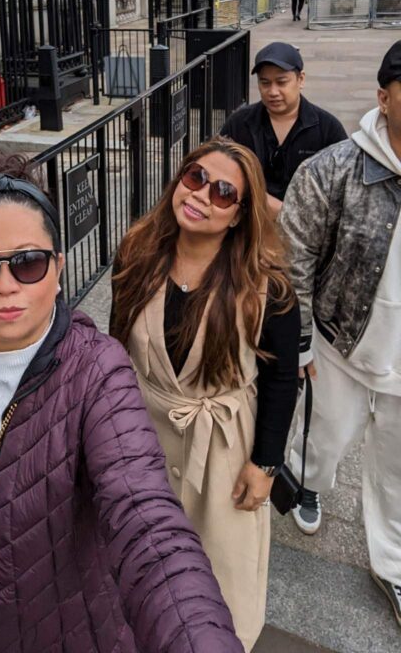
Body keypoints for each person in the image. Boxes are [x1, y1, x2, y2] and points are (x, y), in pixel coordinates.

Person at [0, 152, 244, 653]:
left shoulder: (97, 372)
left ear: (58, 267)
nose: (6, 285)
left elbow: (147, 524)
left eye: (28, 262)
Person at [110, 138, 300, 652]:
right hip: (142, 436)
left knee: (220, 568)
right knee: (139, 558)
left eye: (222, 192)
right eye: (194, 177)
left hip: (223, 445)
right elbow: (114, 346)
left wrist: (264, 464)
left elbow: (283, 379)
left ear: (240, 214)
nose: (200, 195)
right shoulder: (136, 252)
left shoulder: (266, 286)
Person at [280, 40, 401, 629]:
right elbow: (294, 258)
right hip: (341, 342)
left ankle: (393, 565)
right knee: (321, 440)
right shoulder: (333, 168)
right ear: (384, 96)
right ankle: (306, 483)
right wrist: (300, 339)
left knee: (398, 470)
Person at [220, 42, 347, 219]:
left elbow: (343, 190)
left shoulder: (328, 129)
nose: (273, 92)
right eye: (265, 83)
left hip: (307, 232)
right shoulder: (239, 124)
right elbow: (219, 171)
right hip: (247, 228)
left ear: (300, 79)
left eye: (281, 82)